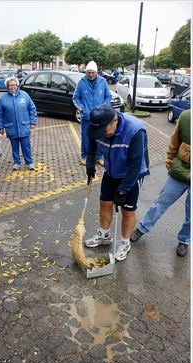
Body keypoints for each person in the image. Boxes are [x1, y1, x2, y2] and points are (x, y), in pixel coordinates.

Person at [84, 104, 150, 261]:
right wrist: (90, 165)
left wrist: (123, 190)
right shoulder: (98, 128)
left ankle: (125, 242)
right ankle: (104, 235)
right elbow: (92, 145)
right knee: (104, 202)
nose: (102, 135)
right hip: (111, 171)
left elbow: (135, 165)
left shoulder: (134, 130)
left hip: (132, 174)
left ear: (115, 120)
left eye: (104, 131)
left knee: (127, 210)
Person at [130, 109, 190, 257]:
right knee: (160, 202)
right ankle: (142, 228)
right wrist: (170, 163)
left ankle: (184, 240)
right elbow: (174, 142)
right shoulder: (186, 117)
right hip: (180, 170)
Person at [73, 60, 112, 166]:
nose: (91, 75)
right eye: (88, 72)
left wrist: (103, 107)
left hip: (99, 117)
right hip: (86, 117)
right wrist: (83, 109)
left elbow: (108, 96)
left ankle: (99, 157)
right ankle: (85, 156)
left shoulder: (103, 82)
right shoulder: (81, 82)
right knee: (86, 138)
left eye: (93, 72)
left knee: (100, 137)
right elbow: (75, 98)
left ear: (96, 72)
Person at [0, 76, 37, 171]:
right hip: (11, 127)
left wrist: (33, 122)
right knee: (14, 147)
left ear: (17, 85)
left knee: (26, 146)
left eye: (14, 85)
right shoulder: (3, 99)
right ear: (7, 86)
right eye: (10, 85)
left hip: (24, 126)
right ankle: (16, 162)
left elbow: (32, 109)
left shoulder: (24, 95)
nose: (12, 87)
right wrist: (0, 127)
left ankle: (29, 162)